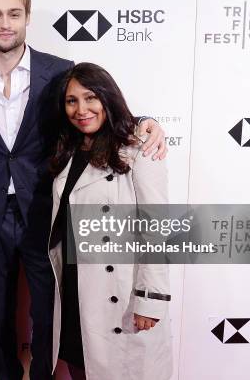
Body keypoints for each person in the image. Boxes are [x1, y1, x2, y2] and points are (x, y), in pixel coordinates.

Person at [0, 0, 168, 380]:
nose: (5, 23)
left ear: (26, 18)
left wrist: (145, 122)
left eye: (14, 14)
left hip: (46, 210)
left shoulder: (59, 71)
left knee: (49, 315)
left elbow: (97, 107)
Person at [48, 62, 173, 380]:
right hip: (77, 289)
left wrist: (151, 300)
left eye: (90, 98)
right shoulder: (69, 150)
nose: (81, 109)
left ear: (107, 98)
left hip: (121, 296)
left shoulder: (138, 149)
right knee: (80, 367)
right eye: (71, 101)